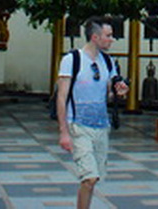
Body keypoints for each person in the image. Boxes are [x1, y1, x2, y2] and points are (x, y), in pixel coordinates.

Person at [55, 16, 129, 209]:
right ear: (95, 37)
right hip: (78, 125)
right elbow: (61, 97)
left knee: (93, 179)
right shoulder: (72, 60)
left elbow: (108, 95)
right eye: (108, 35)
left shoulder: (108, 62)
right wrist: (63, 131)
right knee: (89, 177)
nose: (112, 39)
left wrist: (119, 92)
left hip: (101, 126)